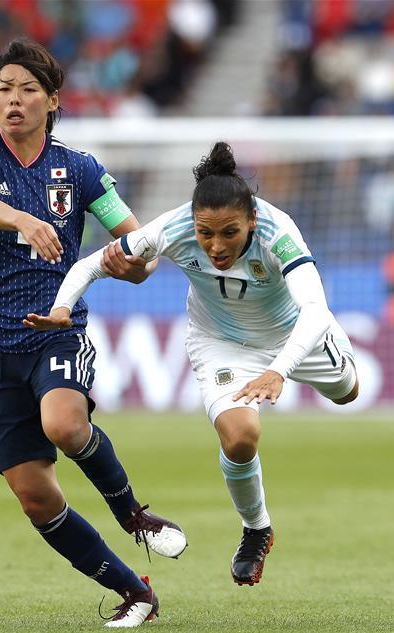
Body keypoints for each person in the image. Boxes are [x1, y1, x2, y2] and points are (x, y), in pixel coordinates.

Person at [25, 141, 360, 587]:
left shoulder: (279, 233)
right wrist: (63, 306)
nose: (215, 246)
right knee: (240, 437)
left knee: (347, 392)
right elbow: (90, 265)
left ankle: (325, 371)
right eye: (206, 233)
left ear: (252, 221)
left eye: (229, 233)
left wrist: (278, 369)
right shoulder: (177, 226)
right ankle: (257, 529)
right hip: (220, 340)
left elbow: (315, 310)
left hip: (293, 334)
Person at [0, 38, 187, 629]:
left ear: (52, 101)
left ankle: (134, 513)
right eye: (3, 90)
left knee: (64, 423)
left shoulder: (79, 170)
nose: (14, 100)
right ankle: (136, 591)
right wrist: (24, 219)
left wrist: (133, 263)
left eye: (28, 90)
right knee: (36, 497)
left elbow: (136, 243)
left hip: (57, 329)